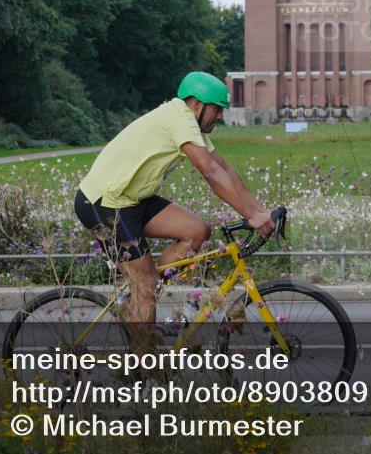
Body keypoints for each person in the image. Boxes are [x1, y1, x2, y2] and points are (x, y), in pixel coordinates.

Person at [73, 71, 275, 345]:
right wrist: (251, 216)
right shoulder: (179, 119)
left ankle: (142, 291)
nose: (220, 117)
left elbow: (224, 167)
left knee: (197, 231)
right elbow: (211, 173)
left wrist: (259, 212)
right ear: (196, 104)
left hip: (132, 199)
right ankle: (143, 370)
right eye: (217, 109)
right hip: (102, 203)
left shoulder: (187, 121)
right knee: (144, 284)